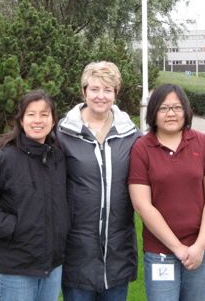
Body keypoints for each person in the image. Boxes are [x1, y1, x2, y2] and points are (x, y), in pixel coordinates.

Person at [0, 89, 69, 301]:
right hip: (16, 269)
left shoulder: (58, 157)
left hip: (52, 268)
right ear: (21, 120)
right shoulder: (4, 158)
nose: (38, 120)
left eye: (44, 114)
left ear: (53, 119)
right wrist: (15, 227)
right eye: (31, 114)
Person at [128, 83, 205, 301]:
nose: (171, 113)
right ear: (153, 113)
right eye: (163, 108)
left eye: (177, 107)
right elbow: (142, 204)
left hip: (203, 249)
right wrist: (177, 248)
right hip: (161, 251)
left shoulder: (204, 143)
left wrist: (198, 246)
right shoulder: (142, 148)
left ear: (186, 111)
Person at [57, 61, 141, 301]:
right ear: (84, 91)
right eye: (94, 89)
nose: (100, 96)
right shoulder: (63, 133)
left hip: (118, 252)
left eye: (108, 90)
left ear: (116, 93)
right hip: (76, 252)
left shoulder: (131, 134)